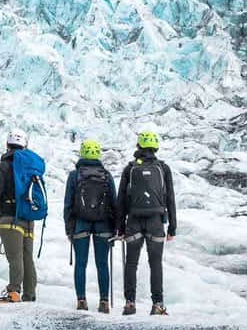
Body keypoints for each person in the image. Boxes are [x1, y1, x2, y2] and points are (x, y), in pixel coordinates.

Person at [114, 130, 176, 316]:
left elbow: (121, 200)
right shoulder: (163, 168)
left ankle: (130, 303)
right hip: (156, 222)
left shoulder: (130, 168)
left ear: (139, 146)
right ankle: (157, 304)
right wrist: (172, 227)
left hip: (133, 221)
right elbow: (170, 199)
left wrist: (120, 227)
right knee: (155, 263)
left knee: (131, 263)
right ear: (155, 147)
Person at [0, 129, 39, 303]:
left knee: (15, 258)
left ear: (7, 145)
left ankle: (13, 292)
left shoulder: (4, 166)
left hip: (9, 218)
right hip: (28, 219)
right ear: (24, 146)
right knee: (27, 257)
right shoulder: (30, 167)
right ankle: (30, 294)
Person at [63, 139, 116, 313]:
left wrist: (69, 229)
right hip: (103, 225)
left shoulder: (75, 175)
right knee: (102, 264)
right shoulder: (106, 175)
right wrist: (115, 229)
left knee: (81, 263)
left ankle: (81, 301)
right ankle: (104, 302)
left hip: (80, 224)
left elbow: (68, 204)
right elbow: (114, 204)